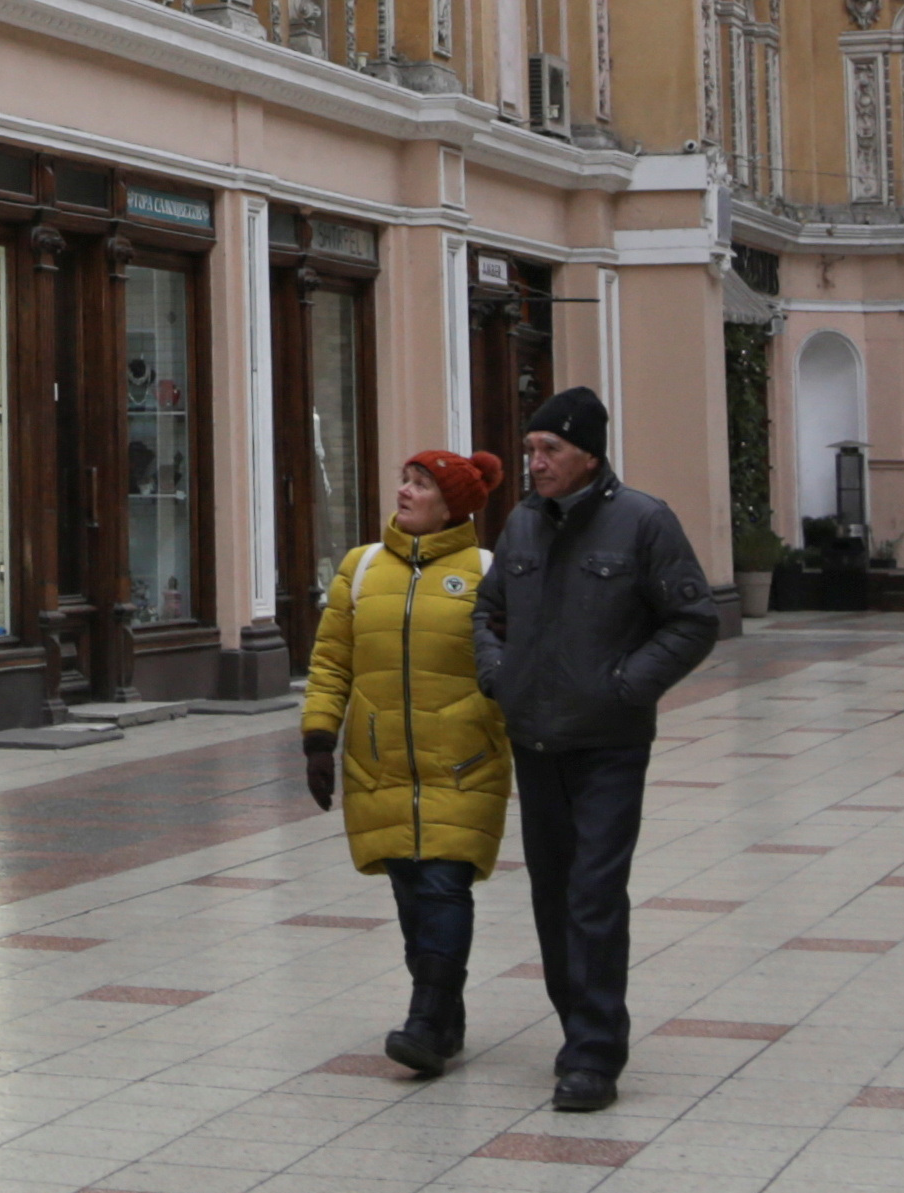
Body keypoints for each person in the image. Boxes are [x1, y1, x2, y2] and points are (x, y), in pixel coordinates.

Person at [475, 387, 722, 1112]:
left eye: (549, 449)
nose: (535, 462)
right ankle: (575, 1025)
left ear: (588, 452)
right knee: (552, 893)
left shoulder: (643, 521)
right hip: (536, 738)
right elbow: (488, 613)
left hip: (609, 742)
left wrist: (626, 686)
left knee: (593, 891)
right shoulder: (522, 524)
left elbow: (692, 619)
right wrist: (500, 675)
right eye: (530, 449)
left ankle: (592, 1051)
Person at [300, 448, 511, 1080]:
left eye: (421, 485)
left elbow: (513, 660)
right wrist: (319, 736)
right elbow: (333, 659)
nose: (405, 491)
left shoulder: (487, 573)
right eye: (406, 480)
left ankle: (425, 1020)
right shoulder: (360, 568)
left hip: (463, 760)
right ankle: (444, 1012)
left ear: (453, 506)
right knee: (410, 890)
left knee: (443, 883)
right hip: (379, 760)